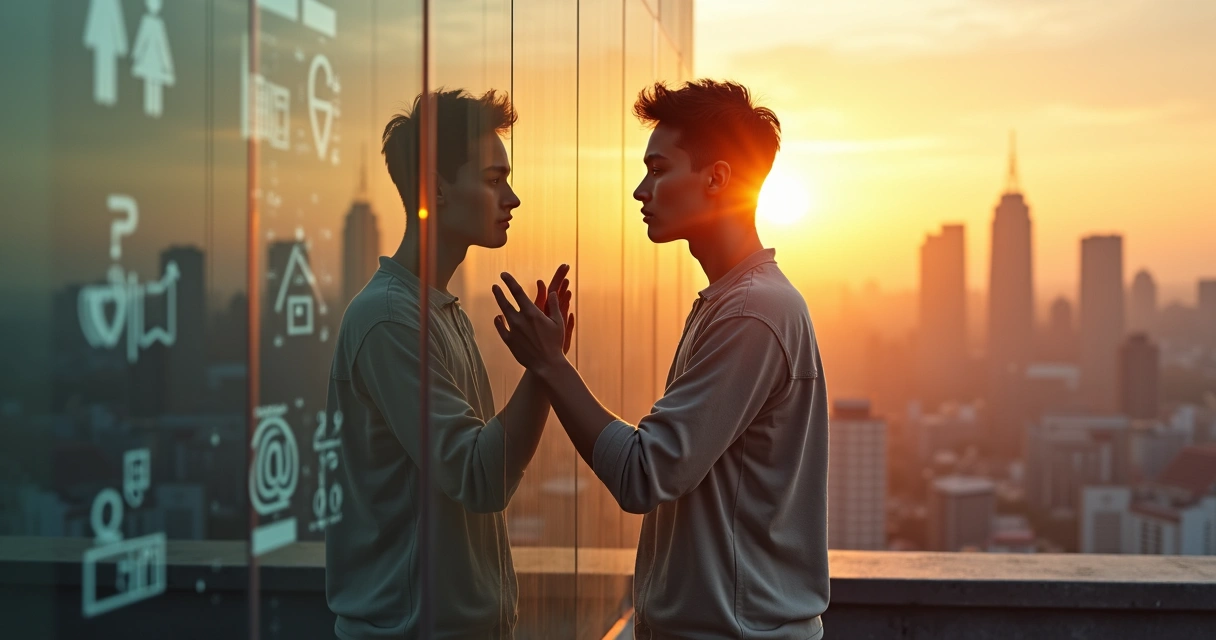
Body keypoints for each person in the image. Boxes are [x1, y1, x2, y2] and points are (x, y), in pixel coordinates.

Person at [491, 79, 829, 639]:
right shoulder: (735, 301)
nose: (640, 190)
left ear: (717, 177)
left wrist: (551, 366)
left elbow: (644, 473)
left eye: (659, 168)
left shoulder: (751, 312)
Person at [323, 88, 574, 640]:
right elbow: (479, 477)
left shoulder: (439, 311)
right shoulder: (391, 321)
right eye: (492, 179)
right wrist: (545, 368)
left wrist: (546, 363)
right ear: (436, 187)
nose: (512, 198)